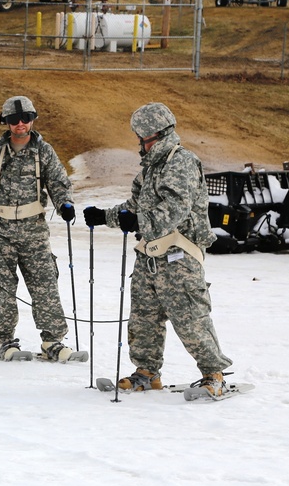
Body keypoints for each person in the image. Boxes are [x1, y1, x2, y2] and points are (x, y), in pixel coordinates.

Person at [82, 102, 233, 398]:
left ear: (156, 134)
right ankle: (147, 372)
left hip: (179, 256)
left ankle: (214, 374)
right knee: (143, 319)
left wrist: (138, 221)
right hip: (149, 256)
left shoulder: (181, 162)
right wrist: (104, 216)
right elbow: (133, 207)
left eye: (142, 137)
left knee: (190, 317)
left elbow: (174, 208)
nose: (140, 143)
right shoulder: (151, 168)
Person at [0, 95, 79, 361]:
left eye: (26, 118)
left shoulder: (44, 151)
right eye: (14, 119)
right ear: (6, 122)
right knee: (4, 286)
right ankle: (4, 340)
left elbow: (58, 182)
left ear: (32, 120)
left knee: (45, 284)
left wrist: (64, 204)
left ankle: (52, 341)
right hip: (0, 229)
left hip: (34, 231)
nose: (20, 124)